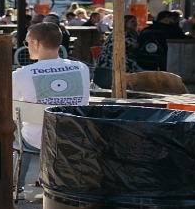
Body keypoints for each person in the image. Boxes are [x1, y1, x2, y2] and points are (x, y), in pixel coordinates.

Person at [12, 21, 91, 195]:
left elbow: (11, 106)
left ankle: (16, 184)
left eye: (27, 42)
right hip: (73, 135)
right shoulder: (81, 68)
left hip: (36, 139)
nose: (27, 47)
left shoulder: (21, 74)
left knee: (18, 127)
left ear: (36, 43)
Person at [93, 14, 142, 89]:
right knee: (139, 70)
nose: (135, 23)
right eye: (132, 21)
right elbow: (133, 45)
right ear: (125, 23)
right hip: (112, 60)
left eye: (135, 21)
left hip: (104, 62)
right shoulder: (123, 33)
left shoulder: (117, 32)